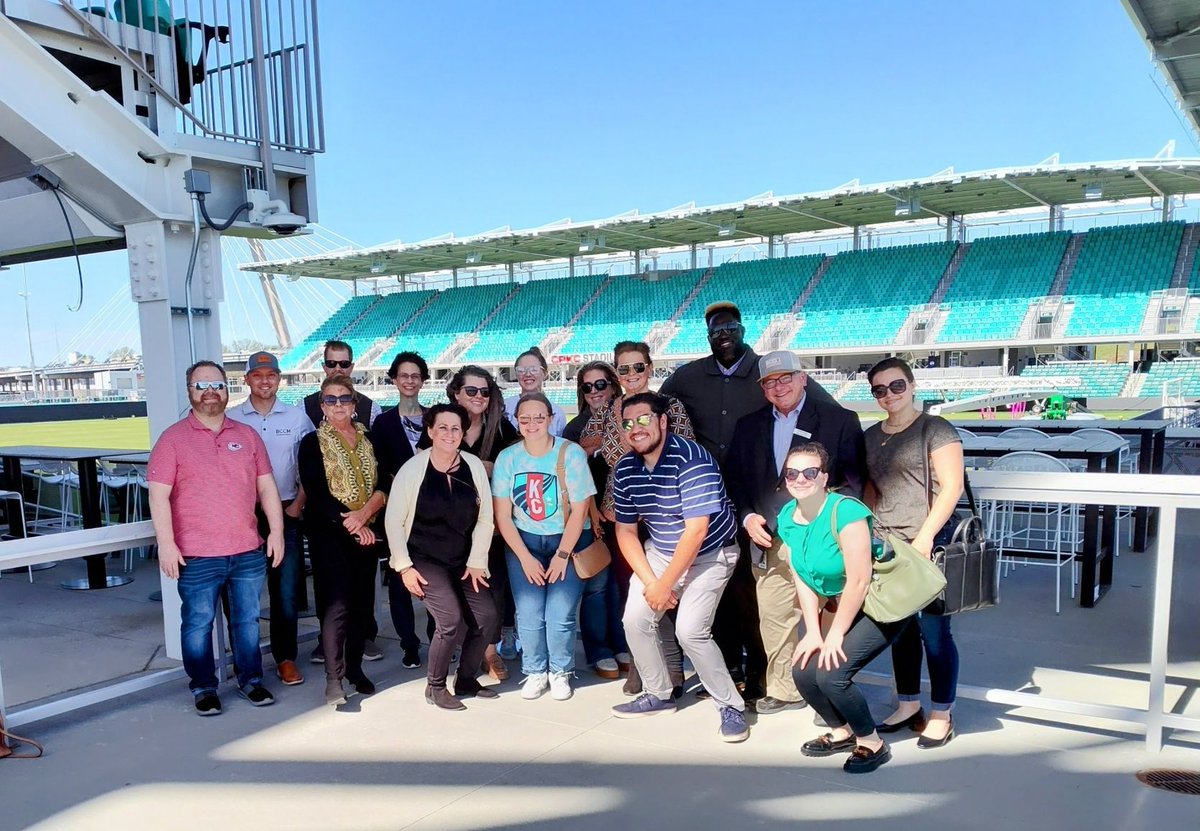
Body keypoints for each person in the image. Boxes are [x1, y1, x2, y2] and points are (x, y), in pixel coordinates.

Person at [726, 350, 866, 715]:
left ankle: (832, 690)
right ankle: (785, 690)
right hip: (768, 538)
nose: (779, 386)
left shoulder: (839, 420)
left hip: (821, 537)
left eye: (786, 377)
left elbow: (854, 483)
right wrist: (747, 516)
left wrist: (825, 522)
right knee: (774, 616)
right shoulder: (747, 425)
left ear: (804, 379)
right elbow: (736, 481)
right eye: (770, 381)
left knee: (832, 616)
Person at [609, 393, 749, 744]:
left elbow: (697, 530)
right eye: (628, 423)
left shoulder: (692, 458)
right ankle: (658, 694)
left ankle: (731, 704)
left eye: (643, 419)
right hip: (661, 550)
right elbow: (625, 531)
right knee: (635, 620)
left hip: (710, 552)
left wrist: (664, 585)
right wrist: (651, 581)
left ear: (662, 421)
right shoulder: (626, 468)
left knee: (690, 631)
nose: (635, 429)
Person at [147, 360, 283, 716]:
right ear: (190, 391)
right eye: (201, 385)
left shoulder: (247, 436)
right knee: (197, 624)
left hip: (246, 550)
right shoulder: (172, 439)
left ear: (227, 389)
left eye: (217, 385)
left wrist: (277, 533)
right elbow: (158, 495)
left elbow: (266, 487)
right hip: (196, 554)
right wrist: (166, 543)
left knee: (247, 621)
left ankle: (251, 681)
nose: (210, 392)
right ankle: (204, 687)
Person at [780, 443, 906, 774]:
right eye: (792, 473)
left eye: (809, 472)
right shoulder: (787, 517)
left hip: (878, 605)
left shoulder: (846, 512)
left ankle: (872, 743)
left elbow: (859, 581)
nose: (800, 479)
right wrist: (812, 632)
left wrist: (834, 634)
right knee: (803, 670)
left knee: (833, 674)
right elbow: (802, 576)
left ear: (824, 477)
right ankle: (842, 732)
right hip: (839, 606)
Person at [863, 357, 964, 749]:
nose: (889, 395)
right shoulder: (871, 435)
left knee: (935, 632)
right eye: (880, 390)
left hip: (927, 543)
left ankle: (942, 712)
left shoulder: (935, 429)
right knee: (900, 631)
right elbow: (872, 488)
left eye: (896, 386)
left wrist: (925, 537)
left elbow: (951, 486)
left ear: (912, 385)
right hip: (886, 544)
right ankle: (908, 703)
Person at [582, 342, 690, 695]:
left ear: (649, 367)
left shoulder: (670, 405)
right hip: (621, 511)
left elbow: (684, 451)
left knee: (666, 588)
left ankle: (672, 666)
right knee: (635, 590)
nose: (631, 376)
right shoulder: (606, 411)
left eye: (637, 367)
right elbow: (586, 447)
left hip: (663, 510)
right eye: (623, 370)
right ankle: (642, 665)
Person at [386, 403, 498, 711]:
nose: (450, 434)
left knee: (487, 617)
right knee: (449, 620)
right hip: (423, 558)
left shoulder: (473, 466)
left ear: (463, 433)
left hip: (463, 560)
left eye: (456, 428)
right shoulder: (413, 469)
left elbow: (486, 517)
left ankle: (465, 680)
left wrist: (477, 560)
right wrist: (404, 566)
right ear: (431, 431)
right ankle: (435, 686)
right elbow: (393, 520)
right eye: (443, 428)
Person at [493, 392, 596, 701]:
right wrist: (524, 558)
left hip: (568, 540)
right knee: (529, 612)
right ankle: (536, 671)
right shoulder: (508, 458)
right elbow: (503, 515)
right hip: (524, 541)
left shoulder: (571, 452)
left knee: (560, 612)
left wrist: (563, 554)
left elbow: (580, 509)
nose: (532, 424)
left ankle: (561, 670)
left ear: (551, 419)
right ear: (517, 421)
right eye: (525, 418)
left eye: (540, 417)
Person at [298, 377, 389, 706]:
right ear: (322, 406)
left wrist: (364, 516)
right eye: (331, 400)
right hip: (330, 536)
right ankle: (334, 678)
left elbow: (386, 480)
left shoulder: (371, 438)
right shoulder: (312, 443)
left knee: (363, 605)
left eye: (344, 399)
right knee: (336, 607)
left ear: (355, 403)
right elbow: (318, 493)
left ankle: (354, 668)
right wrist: (352, 523)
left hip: (367, 532)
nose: (338, 405)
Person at [227, 350, 314, 687]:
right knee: (243, 593)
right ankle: (244, 660)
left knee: (286, 590)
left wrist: (297, 507)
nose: (265, 381)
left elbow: (308, 467)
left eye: (271, 375)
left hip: (287, 510)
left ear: (279, 379)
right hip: (243, 515)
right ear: (247, 379)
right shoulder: (233, 419)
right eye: (258, 375)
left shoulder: (296, 418)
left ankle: (285, 657)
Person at [563, 361, 628, 680]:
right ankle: (599, 649)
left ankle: (621, 643)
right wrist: (591, 512)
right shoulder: (575, 429)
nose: (594, 392)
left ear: (613, 385)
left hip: (627, 511)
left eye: (600, 385)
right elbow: (571, 479)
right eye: (587, 387)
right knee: (597, 584)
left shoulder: (626, 416)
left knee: (621, 582)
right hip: (592, 515)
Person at [371, 351, 428, 669]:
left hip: (433, 514)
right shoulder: (383, 423)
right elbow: (381, 469)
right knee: (399, 580)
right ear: (394, 379)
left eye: (415, 375)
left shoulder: (434, 417)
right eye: (404, 375)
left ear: (422, 380)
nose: (409, 380)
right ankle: (409, 644)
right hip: (398, 513)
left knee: (435, 577)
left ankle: (437, 635)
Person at [504, 346, 567, 437]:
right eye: (521, 370)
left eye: (534, 369)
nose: (528, 374)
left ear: (545, 373)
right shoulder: (504, 407)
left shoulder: (557, 413)